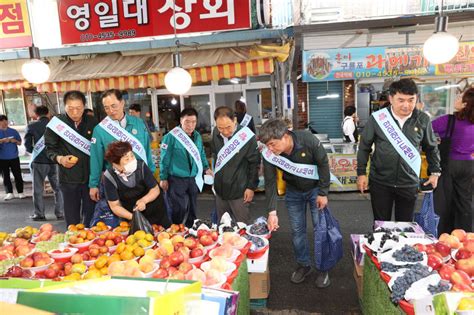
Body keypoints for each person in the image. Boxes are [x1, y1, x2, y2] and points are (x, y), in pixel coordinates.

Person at [357, 78, 441, 222]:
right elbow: (364, 147)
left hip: (408, 183)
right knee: (381, 225)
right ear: (391, 98)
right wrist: (361, 173)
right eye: (401, 100)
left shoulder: (422, 119)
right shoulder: (378, 118)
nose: (406, 105)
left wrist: (434, 172)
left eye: (411, 100)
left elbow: (431, 147)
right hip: (380, 181)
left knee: (405, 226)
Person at [260, 119, 331, 288]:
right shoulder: (270, 154)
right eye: (267, 145)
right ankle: (303, 265)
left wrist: (323, 192)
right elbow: (270, 182)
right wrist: (272, 212)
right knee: (297, 231)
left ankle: (323, 268)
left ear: (285, 136)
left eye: (272, 144)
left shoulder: (308, 140)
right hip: (293, 192)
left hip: (315, 190)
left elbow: (323, 164)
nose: (270, 149)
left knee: (320, 230)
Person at [89, 89, 154, 203]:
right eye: (106, 107)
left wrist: (151, 175)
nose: (111, 111)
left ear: (122, 103)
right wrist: (93, 184)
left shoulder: (139, 123)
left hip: (141, 177)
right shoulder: (100, 130)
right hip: (116, 181)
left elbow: (147, 151)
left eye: (114, 106)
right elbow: (96, 159)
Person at [45, 91, 98, 227]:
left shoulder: (92, 122)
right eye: (70, 108)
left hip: (90, 178)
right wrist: (60, 158)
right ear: (64, 107)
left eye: (78, 108)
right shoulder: (57, 124)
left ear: (84, 106)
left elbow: (99, 149)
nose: (75, 113)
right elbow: (49, 149)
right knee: (72, 219)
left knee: (92, 217)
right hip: (68, 179)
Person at [159, 108, 212, 227]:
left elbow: (201, 154)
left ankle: (190, 229)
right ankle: (175, 229)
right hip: (177, 178)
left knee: (193, 208)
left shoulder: (197, 136)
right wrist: (163, 177)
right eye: (187, 121)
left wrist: (206, 168)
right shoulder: (171, 137)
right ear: (181, 121)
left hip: (193, 178)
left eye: (193, 122)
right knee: (178, 208)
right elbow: (164, 159)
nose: (190, 125)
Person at [432, 87, 474, 233]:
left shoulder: (449, 120)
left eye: (460, 96)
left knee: (444, 201)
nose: (457, 98)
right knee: (465, 201)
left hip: (449, 163)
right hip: (469, 165)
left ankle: (444, 235)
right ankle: (465, 236)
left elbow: (427, 129)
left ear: (465, 104)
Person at [210, 106, 260, 223]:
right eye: (220, 128)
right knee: (222, 226)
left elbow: (254, 164)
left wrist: (251, 187)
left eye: (228, 127)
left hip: (240, 191)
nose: (225, 131)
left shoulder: (246, 136)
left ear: (235, 120)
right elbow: (216, 156)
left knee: (243, 227)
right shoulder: (215, 133)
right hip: (220, 190)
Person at [103, 141, 170, 227]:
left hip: (154, 209)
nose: (132, 160)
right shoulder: (109, 177)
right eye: (127, 159)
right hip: (129, 213)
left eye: (132, 156)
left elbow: (155, 189)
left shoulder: (141, 166)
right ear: (115, 164)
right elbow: (115, 206)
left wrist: (143, 201)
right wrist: (134, 217)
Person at [25, 106, 64, 221]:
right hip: (55, 160)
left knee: (38, 189)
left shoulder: (31, 126)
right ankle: (60, 213)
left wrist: (34, 152)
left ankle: (39, 214)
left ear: (36, 115)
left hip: (39, 161)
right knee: (58, 188)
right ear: (48, 113)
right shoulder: (56, 125)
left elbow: (27, 145)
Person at [0, 115, 24, 201]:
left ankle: (20, 192)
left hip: (14, 157)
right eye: (2, 121)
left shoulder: (13, 131)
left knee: (17, 175)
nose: (4, 122)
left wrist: (14, 141)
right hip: (2, 158)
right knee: (5, 176)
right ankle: (9, 193)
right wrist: (2, 141)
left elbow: (20, 143)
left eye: (5, 120)